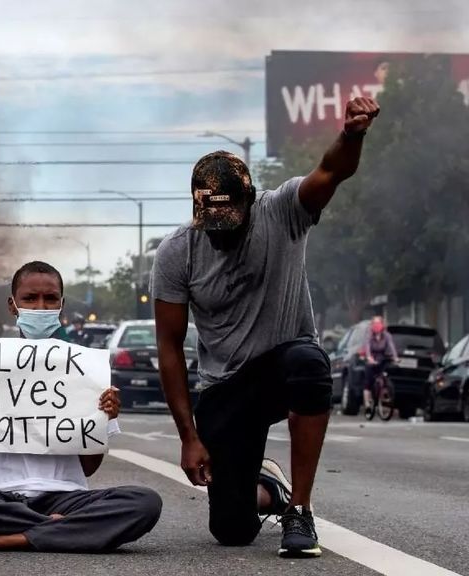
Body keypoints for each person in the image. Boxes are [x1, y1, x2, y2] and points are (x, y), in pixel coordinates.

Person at [151, 96, 380, 558]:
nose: (221, 234)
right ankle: (269, 491)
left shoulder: (283, 211)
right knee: (232, 530)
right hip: (225, 389)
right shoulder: (176, 252)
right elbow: (170, 346)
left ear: (250, 200)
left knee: (309, 362)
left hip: (282, 364)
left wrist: (351, 134)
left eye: (229, 223)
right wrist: (188, 437)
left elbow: (331, 171)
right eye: (211, 224)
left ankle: (299, 509)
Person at [0, 261, 162, 553]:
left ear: (62, 305)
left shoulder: (85, 369)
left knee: (144, 502)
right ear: (13, 305)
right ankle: (56, 529)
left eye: (50, 299)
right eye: (30, 298)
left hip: (64, 497)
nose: (40, 306)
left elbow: (88, 468)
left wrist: (105, 416)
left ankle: (6, 538)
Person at [361, 316, 397, 415]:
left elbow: (391, 346)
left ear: (383, 324)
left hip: (382, 359)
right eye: (375, 323)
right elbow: (367, 348)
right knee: (368, 382)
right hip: (371, 360)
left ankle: (384, 394)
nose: (377, 325)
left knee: (385, 376)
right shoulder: (369, 336)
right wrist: (369, 357)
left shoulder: (387, 336)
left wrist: (395, 357)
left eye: (379, 323)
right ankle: (368, 404)